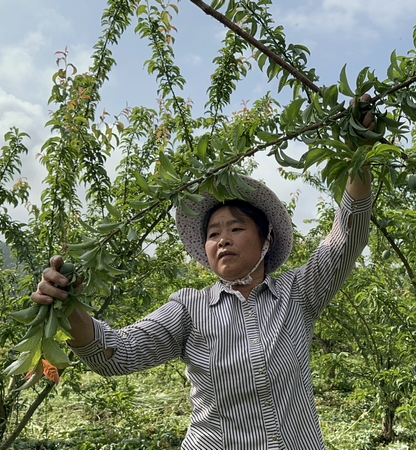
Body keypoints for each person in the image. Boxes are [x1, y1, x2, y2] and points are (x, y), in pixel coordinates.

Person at [32, 98, 376, 450]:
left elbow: (347, 237)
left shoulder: (298, 294)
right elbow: (119, 352)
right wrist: (67, 305)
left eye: (236, 229)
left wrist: (358, 159)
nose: (223, 240)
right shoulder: (189, 308)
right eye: (213, 233)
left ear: (266, 240)